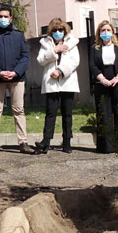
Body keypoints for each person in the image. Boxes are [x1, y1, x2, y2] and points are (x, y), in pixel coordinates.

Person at [0, 5, 34, 156]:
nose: (3, 19)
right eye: (0, 16)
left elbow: (25, 57)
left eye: (6, 16)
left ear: (11, 18)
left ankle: (23, 142)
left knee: (19, 110)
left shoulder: (18, 35)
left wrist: (15, 72)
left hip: (17, 78)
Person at [88, 20, 118, 154]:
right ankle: (107, 147)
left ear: (113, 32)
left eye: (108, 30)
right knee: (104, 115)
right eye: (103, 30)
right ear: (99, 33)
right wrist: (102, 79)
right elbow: (92, 66)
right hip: (102, 84)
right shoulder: (94, 48)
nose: (106, 33)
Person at [36, 18, 80, 154]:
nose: (58, 32)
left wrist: (60, 71)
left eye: (60, 30)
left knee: (67, 113)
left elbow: (75, 61)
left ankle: (67, 142)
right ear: (50, 31)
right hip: (51, 84)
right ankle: (46, 142)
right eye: (55, 30)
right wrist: (54, 50)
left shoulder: (72, 42)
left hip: (67, 82)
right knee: (50, 113)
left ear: (65, 30)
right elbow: (40, 60)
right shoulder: (45, 43)